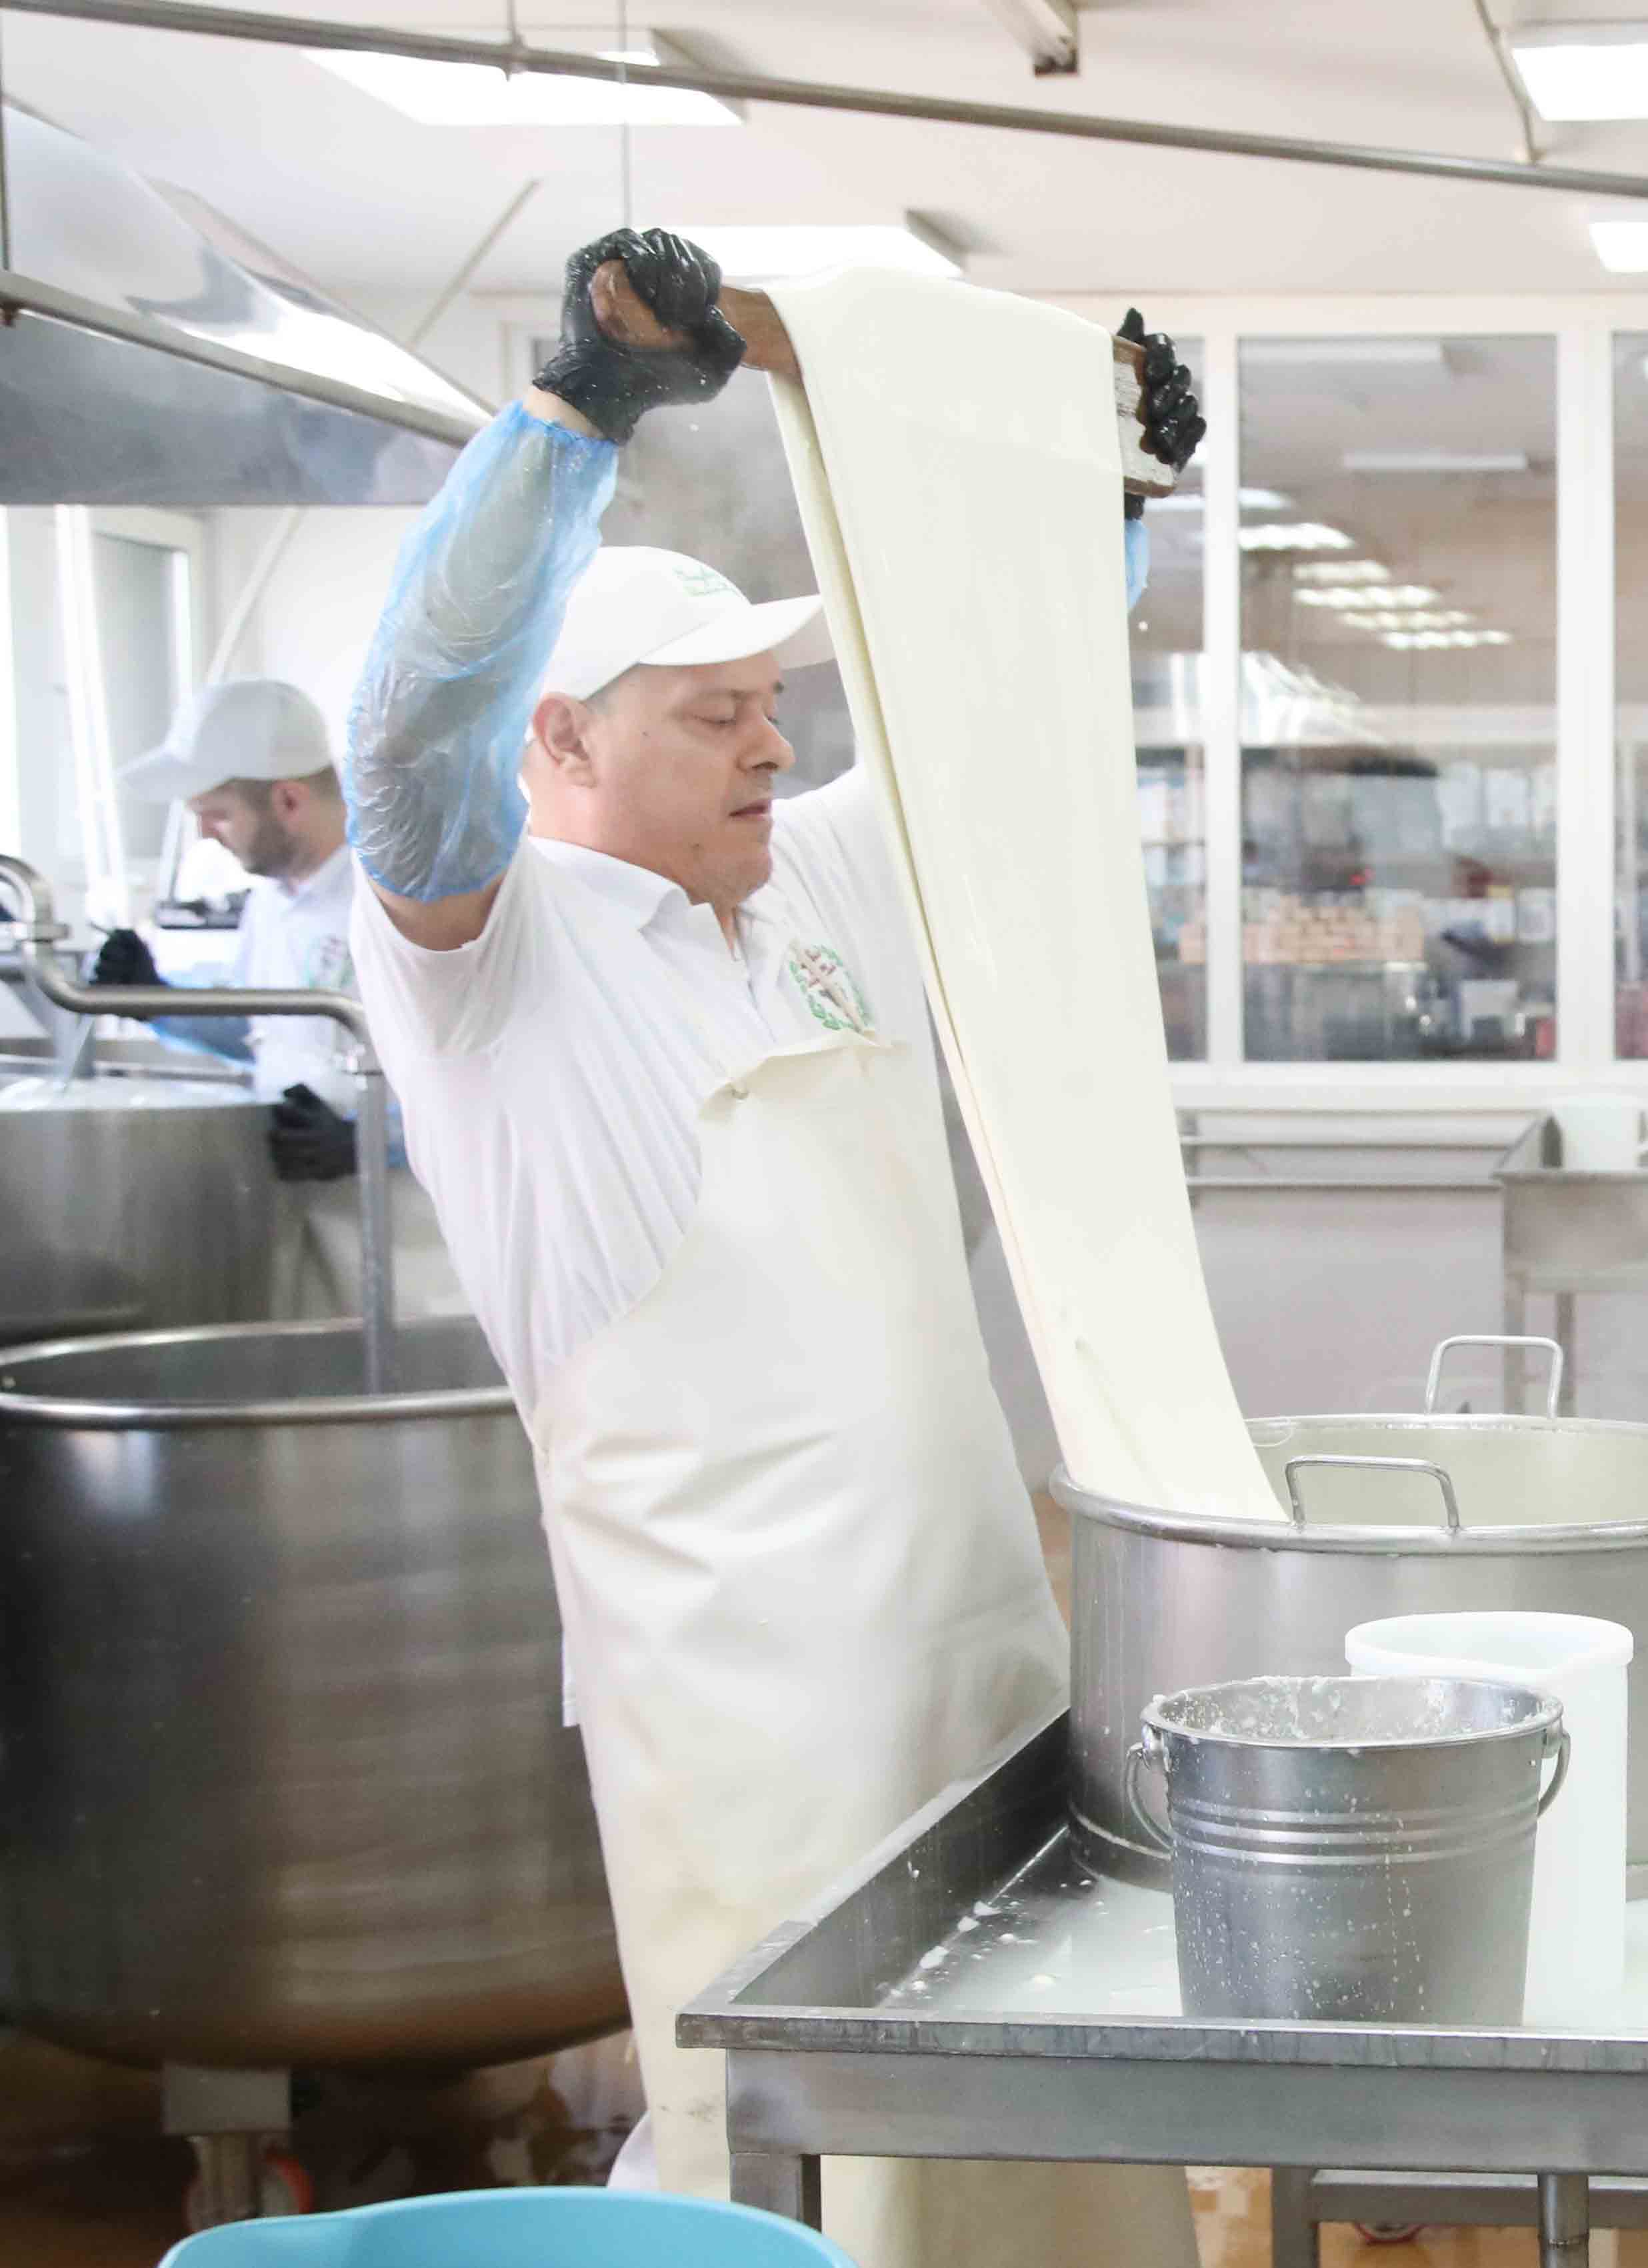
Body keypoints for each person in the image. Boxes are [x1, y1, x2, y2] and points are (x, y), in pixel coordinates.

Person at [341, 227, 1205, 2263]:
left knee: (1048, 2163)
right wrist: (576, 416)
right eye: (714, 715)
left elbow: (1005, 732)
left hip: (982, 1661)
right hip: (754, 1738)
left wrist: (1101, 508)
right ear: (559, 740)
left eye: (771, 706)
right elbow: (407, 738)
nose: (770, 748)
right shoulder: (494, 968)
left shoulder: (813, 883)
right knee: (804, 2183)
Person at [97, 680, 460, 1312]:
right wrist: (157, 1000)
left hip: (419, 1247)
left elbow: (483, 1068)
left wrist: (375, 1140)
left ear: (288, 799)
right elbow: (269, 1028)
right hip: (314, 1228)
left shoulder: (407, 896)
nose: (207, 835)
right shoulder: (271, 902)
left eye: (218, 814)